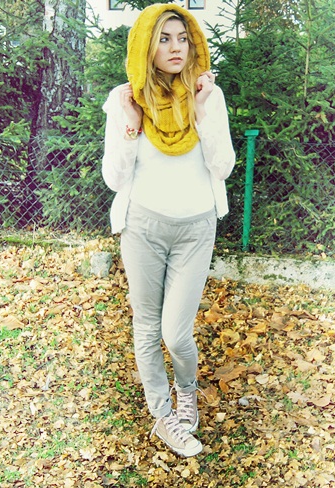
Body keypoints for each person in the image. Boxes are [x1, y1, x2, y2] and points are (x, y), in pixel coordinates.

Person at [101, 4, 235, 457]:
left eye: (182, 38)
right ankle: (163, 416)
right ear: (146, 45)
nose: (176, 47)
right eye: (163, 39)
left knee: (176, 333)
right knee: (146, 325)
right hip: (143, 227)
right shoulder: (126, 98)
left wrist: (201, 112)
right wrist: (131, 126)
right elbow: (114, 178)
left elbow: (223, 166)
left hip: (195, 229)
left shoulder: (207, 94)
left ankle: (187, 391)